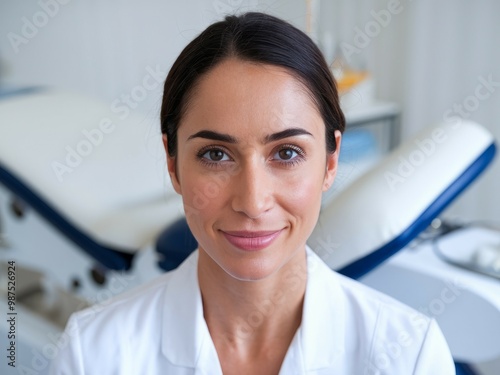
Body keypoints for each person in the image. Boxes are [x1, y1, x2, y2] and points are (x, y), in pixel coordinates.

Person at [50, 12, 455, 374]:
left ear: (330, 163)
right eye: (215, 154)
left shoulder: (408, 356)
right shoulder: (95, 354)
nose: (252, 201)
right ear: (173, 164)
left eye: (287, 153)